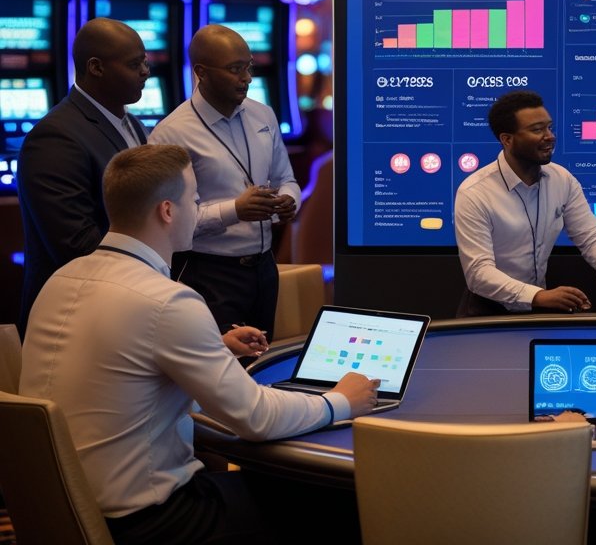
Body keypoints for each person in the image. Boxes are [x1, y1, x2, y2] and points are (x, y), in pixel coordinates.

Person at [20, 145, 380, 545]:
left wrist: (213, 347)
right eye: (195, 199)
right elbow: (256, 418)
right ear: (168, 211)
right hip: (151, 521)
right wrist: (342, 400)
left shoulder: (62, 279)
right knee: (337, 503)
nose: (199, 207)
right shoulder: (166, 301)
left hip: (69, 508)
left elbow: (116, 365)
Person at [149, 25, 299, 342]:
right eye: (235, 69)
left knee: (260, 364)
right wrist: (235, 210)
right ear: (201, 72)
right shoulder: (171, 133)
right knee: (219, 374)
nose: (247, 78)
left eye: (249, 67)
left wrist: (288, 200)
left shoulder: (264, 115)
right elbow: (166, 221)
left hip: (264, 268)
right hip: (210, 273)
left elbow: (287, 179)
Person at [453, 89, 596, 316]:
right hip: (487, 311)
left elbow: (590, 235)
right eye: (537, 130)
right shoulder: (474, 193)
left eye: (549, 127)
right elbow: (478, 273)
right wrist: (538, 296)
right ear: (507, 139)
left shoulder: (562, 179)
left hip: (539, 306)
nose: (549, 136)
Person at [16, 17, 149, 336]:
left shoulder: (131, 123)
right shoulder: (55, 137)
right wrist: (153, 274)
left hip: (126, 301)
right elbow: (76, 244)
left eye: (145, 61)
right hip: (74, 319)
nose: (146, 71)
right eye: (134, 64)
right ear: (96, 67)